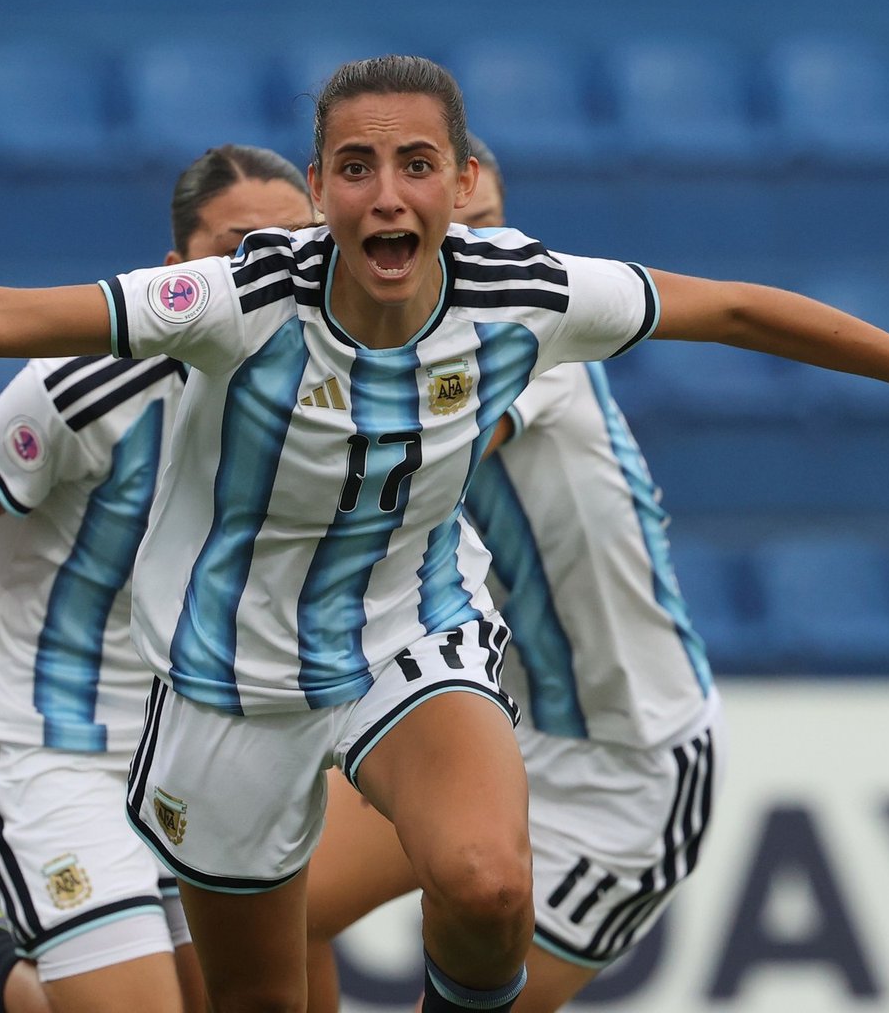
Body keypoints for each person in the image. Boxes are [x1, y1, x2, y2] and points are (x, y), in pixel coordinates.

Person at [0, 54, 889, 1013]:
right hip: (229, 687)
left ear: (459, 183)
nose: (389, 193)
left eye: (417, 163)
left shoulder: (519, 293)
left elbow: (742, 311)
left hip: (411, 647)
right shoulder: (232, 300)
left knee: (481, 884)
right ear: (324, 191)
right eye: (357, 167)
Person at [0, 145, 314, 1013]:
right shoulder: (93, 376)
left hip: (186, 740)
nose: (273, 271)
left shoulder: (326, 390)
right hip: (48, 733)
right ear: (178, 271)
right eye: (242, 247)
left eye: (298, 244)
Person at [301, 134, 719, 1013]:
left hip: (624, 770)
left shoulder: (530, 343)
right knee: (272, 899)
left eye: (484, 230)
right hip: (502, 724)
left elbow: (389, 471)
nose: (476, 262)